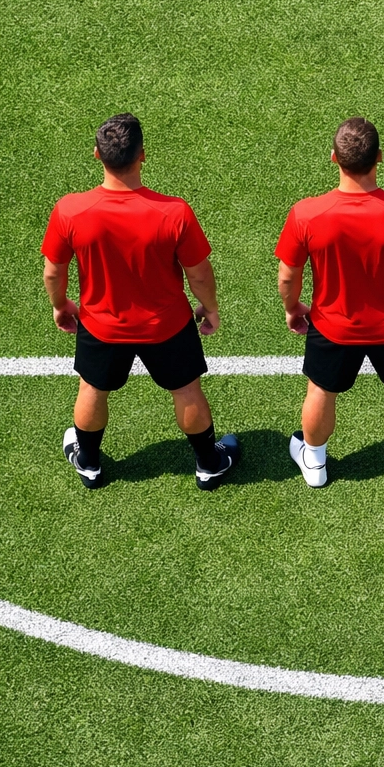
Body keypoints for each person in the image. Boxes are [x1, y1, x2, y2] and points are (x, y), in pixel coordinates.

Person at [41, 113, 240, 491]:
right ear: (142, 155)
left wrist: (59, 304)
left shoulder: (70, 209)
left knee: (92, 389)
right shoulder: (173, 212)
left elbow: (53, 271)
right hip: (166, 325)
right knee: (186, 390)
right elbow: (198, 273)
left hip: (101, 325)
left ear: (96, 154)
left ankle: (90, 464)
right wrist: (210, 308)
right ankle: (209, 463)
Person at [275, 117, 384, 489]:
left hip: (332, 326)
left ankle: (314, 462)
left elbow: (288, 275)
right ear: (380, 157)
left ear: (333, 158)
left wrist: (293, 307)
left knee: (320, 391)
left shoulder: (306, 213)